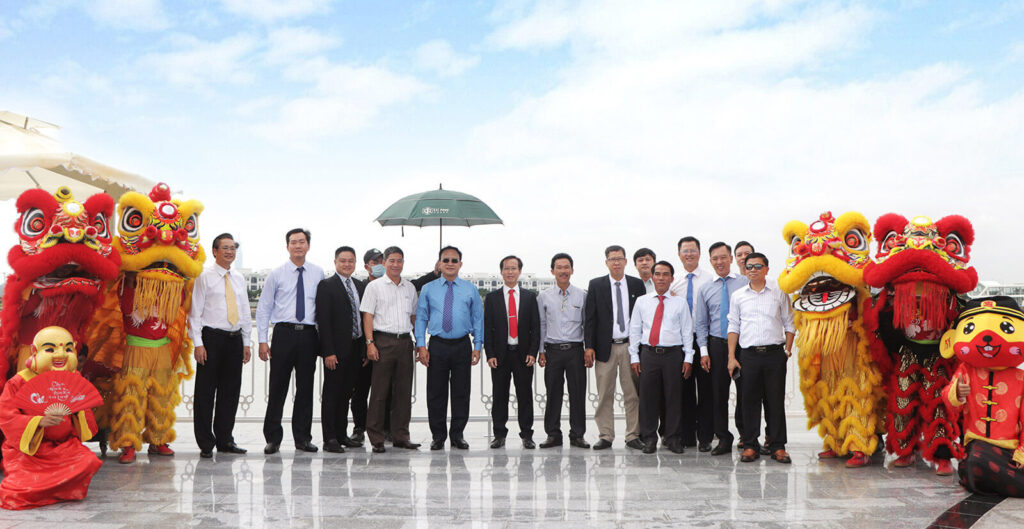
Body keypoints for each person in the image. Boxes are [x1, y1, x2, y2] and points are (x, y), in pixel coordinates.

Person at [0, 327, 103, 510]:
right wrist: (37, 421)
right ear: (34, 352)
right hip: (31, 451)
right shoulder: (19, 381)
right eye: (50, 349)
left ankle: (56, 492)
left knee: (89, 461)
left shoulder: (74, 377)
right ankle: (52, 491)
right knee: (15, 493)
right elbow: (6, 417)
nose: (60, 355)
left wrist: (76, 411)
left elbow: (84, 411)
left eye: (68, 349)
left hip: (64, 447)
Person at [256, 228, 323, 455]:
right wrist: (262, 340)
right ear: (287, 246)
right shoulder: (277, 274)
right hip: (283, 334)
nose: (298, 246)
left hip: (308, 336)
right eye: (293, 242)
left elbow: (321, 309)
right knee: (277, 387)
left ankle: (302, 438)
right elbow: (264, 308)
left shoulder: (318, 273)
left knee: (305, 388)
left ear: (308, 246)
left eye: (302, 242)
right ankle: (273, 438)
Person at [727, 252, 796, 464]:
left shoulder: (779, 292)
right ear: (744, 270)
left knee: (775, 401)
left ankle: (778, 446)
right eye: (749, 267)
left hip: (775, 354)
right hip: (748, 356)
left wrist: (787, 351)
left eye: (758, 266)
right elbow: (733, 326)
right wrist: (731, 357)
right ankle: (750, 445)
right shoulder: (738, 296)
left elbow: (789, 322)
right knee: (749, 401)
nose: (753, 270)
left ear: (766, 269)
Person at [188, 233, 251, 458]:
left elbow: (244, 311)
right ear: (215, 251)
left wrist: (246, 342)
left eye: (233, 248)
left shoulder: (239, 278)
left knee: (230, 392)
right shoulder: (204, 277)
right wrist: (198, 344)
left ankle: (225, 440)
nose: (229, 252)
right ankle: (206, 442)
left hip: (235, 339)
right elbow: (195, 313)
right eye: (225, 248)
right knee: (205, 392)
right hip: (211, 339)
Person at [415, 246, 484, 450]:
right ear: (439, 264)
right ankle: (438, 436)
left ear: (460, 264)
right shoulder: (428, 289)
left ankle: (457, 435)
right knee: (436, 393)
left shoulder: (470, 289)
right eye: (446, 260)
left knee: (461, 392)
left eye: (454, 260)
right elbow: (421, 318)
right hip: (437, 345)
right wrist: (421, 345)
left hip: (462, 345)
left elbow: (478, 318)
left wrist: (477, 345)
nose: (450, 264)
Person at [629, 261, 695, 454]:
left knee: (673, 397)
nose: (661, 278)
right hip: (648, 354)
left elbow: (687, 331)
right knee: (648, 398)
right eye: (657, 274)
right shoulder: (642, 301)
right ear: (652, 277)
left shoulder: (679, 303)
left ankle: (672, 437)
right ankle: (649, 438)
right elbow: (635, 329)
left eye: (665, 274)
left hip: (673, 355)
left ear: (671, 278)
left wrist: (688, 358)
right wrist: (634, 356)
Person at [360, 246, 421, 453]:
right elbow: (367, 316)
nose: (396, 264)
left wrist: (419, 342)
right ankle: (376, 438)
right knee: (379, 392)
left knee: (403, 392)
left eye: (399, 261)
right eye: (392, 260)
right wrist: (370, 343)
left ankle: (401, 436)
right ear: (385, 262)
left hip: (404, 342)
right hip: (383, 342)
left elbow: (413, 317)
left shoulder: (409, 288)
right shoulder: (374, 287)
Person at [585, 245, 646, 450]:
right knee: (605, 394)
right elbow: (590, 318)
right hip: (605, 348)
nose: (616, 262)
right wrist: (589, 346)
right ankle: (606, 435)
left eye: (620, 258)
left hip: (630, 346)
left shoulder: (636, 284)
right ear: (606, 262)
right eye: (612, 259)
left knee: (632, 393)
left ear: (626, 261)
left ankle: (633, 434)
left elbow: (642, 317)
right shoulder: (596, 285)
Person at [692, 242, 745, 455]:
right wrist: (704, 352)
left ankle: (747, 437)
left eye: (723, 257)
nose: (719, 262)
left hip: (742, 346)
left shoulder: (744, 283)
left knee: (745, 393)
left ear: (731, 259)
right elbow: (701, 324)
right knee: (718, 395)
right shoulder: (705, 288)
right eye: (715, 258)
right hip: (716, 346)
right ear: (710, 261)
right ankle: (723, 437)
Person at [315, 246, 368, 453]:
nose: (347, 264)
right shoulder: (326, 286)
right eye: (343, 260)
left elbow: (363, 318)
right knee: (332, 394)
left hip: (355, 348)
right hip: (335, 351)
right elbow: (323, 321)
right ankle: (329, 438)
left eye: (350, 261)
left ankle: (341, 434)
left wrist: (364, 350)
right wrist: (328, 351)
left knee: (346, 393)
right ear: (335, 262)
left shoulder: (359, 285)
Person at [484, 255, 540, 449]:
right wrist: (490, 354)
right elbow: (487, 328)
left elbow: (535, 327)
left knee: (525, 395)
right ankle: (499, 434)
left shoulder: (529, 297)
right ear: (501, 272)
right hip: (500, 355)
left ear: (519, 271)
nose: (510, 272)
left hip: (523, 354)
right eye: (506, 268)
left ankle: (527, 435)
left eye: (514, 268)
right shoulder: (492, 298)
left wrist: (533, 352)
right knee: (499, 395)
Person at [537, 253, 590, 449]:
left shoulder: (582, 295)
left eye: (566, 267)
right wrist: (541, 351)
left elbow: (587, 324)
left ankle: (577, 435)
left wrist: (588, 348)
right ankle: (553, 434)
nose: (563, 271)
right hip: (553, 351)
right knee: (553, 393)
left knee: (577, 393)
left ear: (572, 270)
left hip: (575, 351)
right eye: (559, 267)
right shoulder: (544, 296)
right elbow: (541, 324)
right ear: (552, 271)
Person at [669, 236, 713, 451]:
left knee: (706, 389)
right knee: (683, 389)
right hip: (680, 342)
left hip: (703, 340)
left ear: (699, 253)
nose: (689, 254)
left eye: (693, 250)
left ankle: (705, 437)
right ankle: (686, 436)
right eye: (685, 251)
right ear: (679, 254)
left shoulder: (710, 279)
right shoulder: (673, 281)